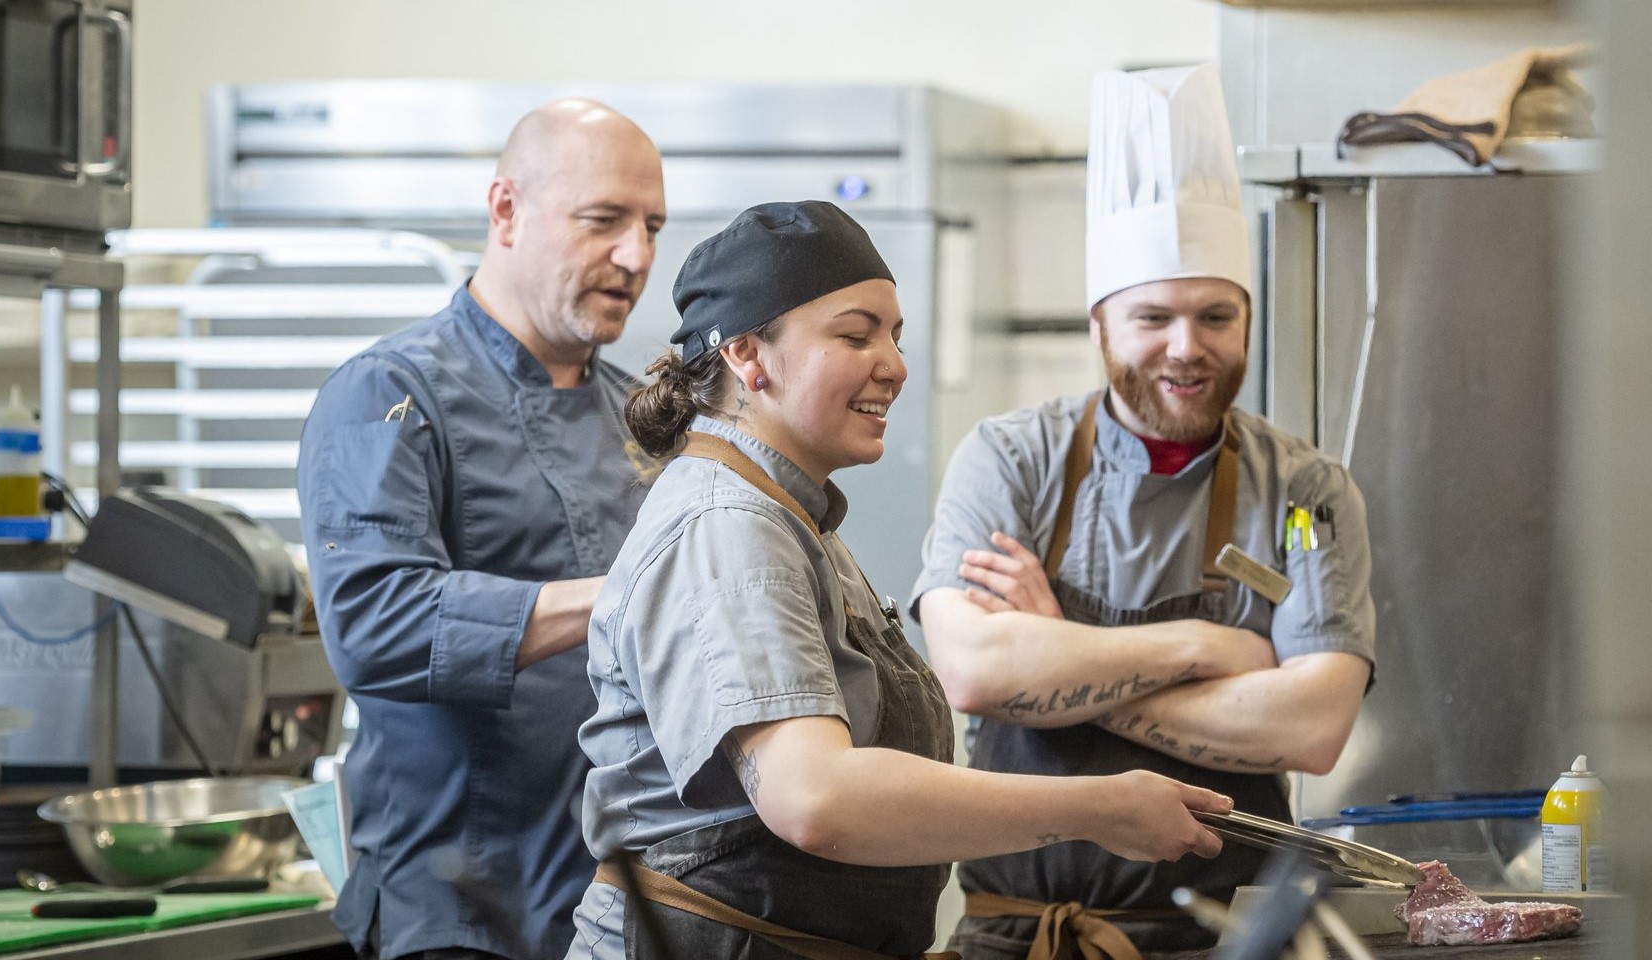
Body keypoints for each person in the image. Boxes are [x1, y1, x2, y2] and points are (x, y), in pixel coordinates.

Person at [566, 200, 1234, 960]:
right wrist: (1098, 807)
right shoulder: (728, 524)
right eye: (856, 334)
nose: (895, 364)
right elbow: (814, 797)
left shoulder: (793, 515)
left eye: (895, 335)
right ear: (748, 357)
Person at [912, 65, 1377, 960]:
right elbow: (974, 672)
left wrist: (1056, 667)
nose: (1186, 347)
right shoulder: (1010, 459)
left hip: (1231, 942)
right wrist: (1209, 651)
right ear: (1099, 325)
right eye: (1152, 317)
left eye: (1216, 316)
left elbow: (1313, 728)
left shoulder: (1307, 491)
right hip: (1020, 937)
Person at [296, 99, 667, 960]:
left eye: (651, 225)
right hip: (460, 918)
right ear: (506, 209)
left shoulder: (639, 419)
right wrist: (626, 596)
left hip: (618, 906)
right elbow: (376, 625)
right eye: (603, 220)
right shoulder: (387, 395)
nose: (637, 255)